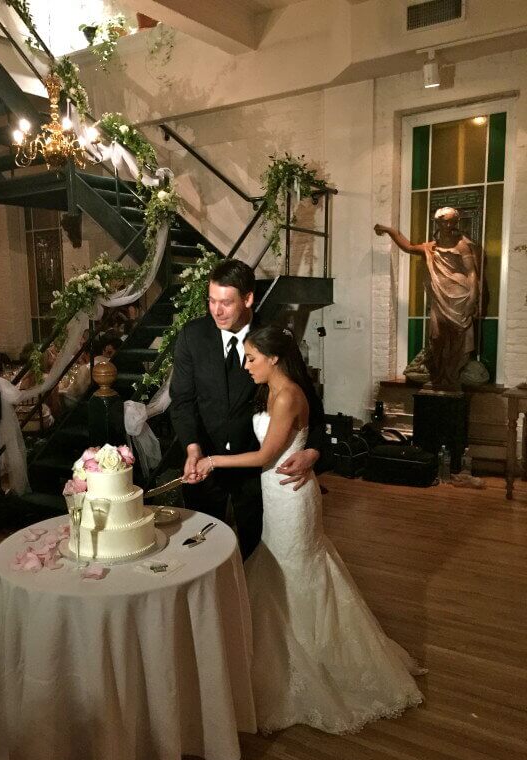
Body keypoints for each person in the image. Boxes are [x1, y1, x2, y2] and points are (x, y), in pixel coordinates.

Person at [195, 324, 424, 734]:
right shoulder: (271, 391)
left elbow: (266, 454)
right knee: (280, 572)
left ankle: (316, 656)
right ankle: (280, 652)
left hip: (290, 496)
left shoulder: (287, 396)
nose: (246, 365)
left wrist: (212, 462)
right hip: (277, 495)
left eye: (252, 358)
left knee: (300, 573)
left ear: (274, 357)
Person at [170, 258, 328, 560]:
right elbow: (182, 400)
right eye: (212, 301)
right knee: (201, 556)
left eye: (226, 303)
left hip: (260, 474)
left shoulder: (273, 339)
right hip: (204, 467)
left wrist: (313, 452)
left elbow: (312, 407)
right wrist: (192, 448)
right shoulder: (192, 336)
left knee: (260, 557)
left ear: (248, 298)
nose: (216, 311)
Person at [375, 207, 481, 391]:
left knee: (458, 339)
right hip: (439, 299)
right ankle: (440, 376)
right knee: (437, 336)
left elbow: (472, 272)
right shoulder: (430, 248)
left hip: (459, 296)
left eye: (451, 221)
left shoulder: (462, 246)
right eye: (443, 221)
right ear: (437, 223)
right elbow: (407, 246)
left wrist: (473, 297)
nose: (447, 225)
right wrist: (389, 230)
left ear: (456, 223)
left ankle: (451, 377)